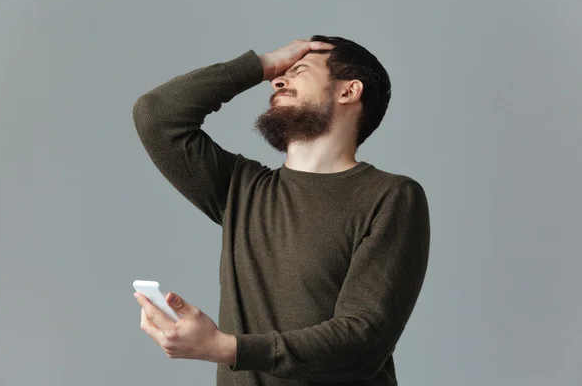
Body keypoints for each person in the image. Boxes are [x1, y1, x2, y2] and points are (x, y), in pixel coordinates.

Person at [132, 36, 431, 386]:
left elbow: (362, 341)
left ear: (348, 91)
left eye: (298, 70)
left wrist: (227, 348)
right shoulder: (240, 189)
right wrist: (260, 65)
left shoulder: (391, 196)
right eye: (278, 74)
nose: (277, 81)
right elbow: (156, 114)